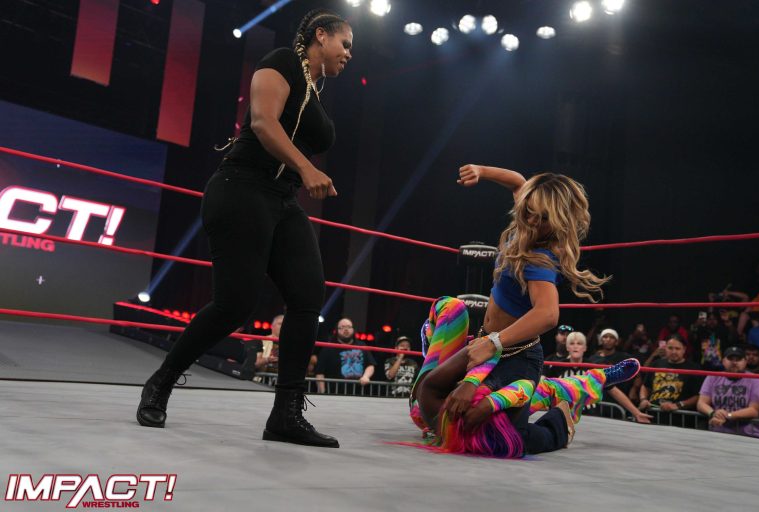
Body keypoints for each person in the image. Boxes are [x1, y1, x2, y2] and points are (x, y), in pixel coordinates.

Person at [136, 8, 353, 449]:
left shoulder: (315, 91)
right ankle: (162, 381)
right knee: (233, 306)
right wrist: (307, 167)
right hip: (241, 188)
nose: (349, 54)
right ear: (320, 35)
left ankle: (286, 414)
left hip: (282, 199)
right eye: (345, 44)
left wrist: (299, 174)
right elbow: (263, 122)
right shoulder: (281, 61)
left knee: (308, 295)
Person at [408, 168, 611, 457]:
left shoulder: (539, 260)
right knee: (428, 394)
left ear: (557, 221)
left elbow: (548, 314)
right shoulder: (523, 226)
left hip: (518, 356)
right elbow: (517, 181)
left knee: (504, 440)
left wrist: (494, 343)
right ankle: (539, 393)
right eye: (529, 211)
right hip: (487, 343)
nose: (532, 221)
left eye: (543, 218)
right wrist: (481, 171)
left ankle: (560, 421)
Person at [407, 299, 640, 458]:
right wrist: (490, 402)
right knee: (542, 391)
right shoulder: (503, 436)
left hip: (439, 394)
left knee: (453, 307)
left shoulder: (426, 402)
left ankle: (432, 338)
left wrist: (471, 382)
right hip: (498, 415)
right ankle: (595, 381)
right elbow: (525, 386)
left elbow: (483, 346)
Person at [550, 331, 652, 423]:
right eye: (572, 343)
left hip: (590, 417)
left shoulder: (593, 368)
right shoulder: (557, 367)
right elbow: (545, 387)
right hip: (562, 416)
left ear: (585, 348)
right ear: (567, 347)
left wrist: (636, 413)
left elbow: (613, 390)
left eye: (579, 343)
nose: (575, 347)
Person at [696, 346, 759, 438]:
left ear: (745, 362)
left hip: (748, 434)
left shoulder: (757, 380)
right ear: (723, 361)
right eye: (730, 359)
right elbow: (701, 403)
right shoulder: (712, 377)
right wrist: (713, 413)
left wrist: (728, 415)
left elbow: (755, 410)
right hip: (718, 431)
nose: (734, 362)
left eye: (738, 359)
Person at [638, 335, 703, 414]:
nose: (673, 352)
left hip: (678, 416)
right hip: (653, 413)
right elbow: (645, 386)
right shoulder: (656, 364)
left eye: (677, 348)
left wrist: (678, 405)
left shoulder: (694, 368)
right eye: (670, 348)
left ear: (684, 349)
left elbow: (699, 396)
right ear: (665, 348)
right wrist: (643, 399)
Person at [315, 318, 376, 394]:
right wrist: (322, 393)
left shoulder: (362, 345)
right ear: (337, 330)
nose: (346, 329)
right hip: (334, 394)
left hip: (359, 393)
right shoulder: (329, 347)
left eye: (348, 327)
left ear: (353, 329)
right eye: (342, 327)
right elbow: (320, 372)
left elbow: (370, 365)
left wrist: (366, 376)